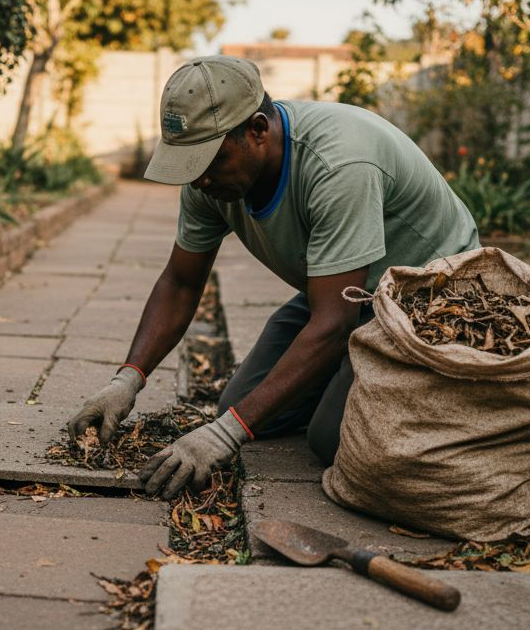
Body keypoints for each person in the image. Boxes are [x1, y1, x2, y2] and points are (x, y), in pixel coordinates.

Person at [66, 55, 479, 499]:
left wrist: (225, 436)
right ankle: (347, 382)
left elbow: (332, 324)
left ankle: (446, 398)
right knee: (237, 406)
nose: (199, 179)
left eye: (210, 160)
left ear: (258, 130)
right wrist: (127, 380)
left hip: (429, 300)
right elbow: (181, 283)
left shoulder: (338, 164)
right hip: (346, 291)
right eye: (189, 163)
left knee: (330, 439)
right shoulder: (210, 178)